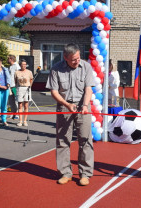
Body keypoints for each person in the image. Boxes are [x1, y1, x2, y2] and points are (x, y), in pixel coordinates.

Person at [46, 43, 95, 186]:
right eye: (74, 59)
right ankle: (65, 173)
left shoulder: (86, 66)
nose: (77, 61)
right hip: (64, 107)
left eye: (78, 58)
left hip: (83, 106)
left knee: (85, 140)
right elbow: (54, 91)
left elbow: (88, 89)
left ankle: (85, 173)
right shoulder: (56, 69)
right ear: (65, 57)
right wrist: (67, 105)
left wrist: (85, 106)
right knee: (62, 141)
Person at [14, 59, 33, 127]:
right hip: (19, 88)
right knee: (20, 105)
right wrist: (18, 87)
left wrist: (29, 86)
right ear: (20, 65)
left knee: (26, 105)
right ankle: (20, 121)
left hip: (27, 88)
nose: (24, 66)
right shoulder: (16, 72)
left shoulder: (29, 72)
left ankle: (25, 121)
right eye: (23, 64)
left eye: (25, 64)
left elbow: (31, 80)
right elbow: (15, 81)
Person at [7, 55, 20, 120]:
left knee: (16, 100)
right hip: (10, 86)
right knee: (11, 100)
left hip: (15, 86)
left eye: (8, 59)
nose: (8, 60)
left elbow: (19, 75)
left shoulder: (16, 66)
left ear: (11, 59)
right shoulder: (10, 67)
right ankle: (13, 113)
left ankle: (17, 113)